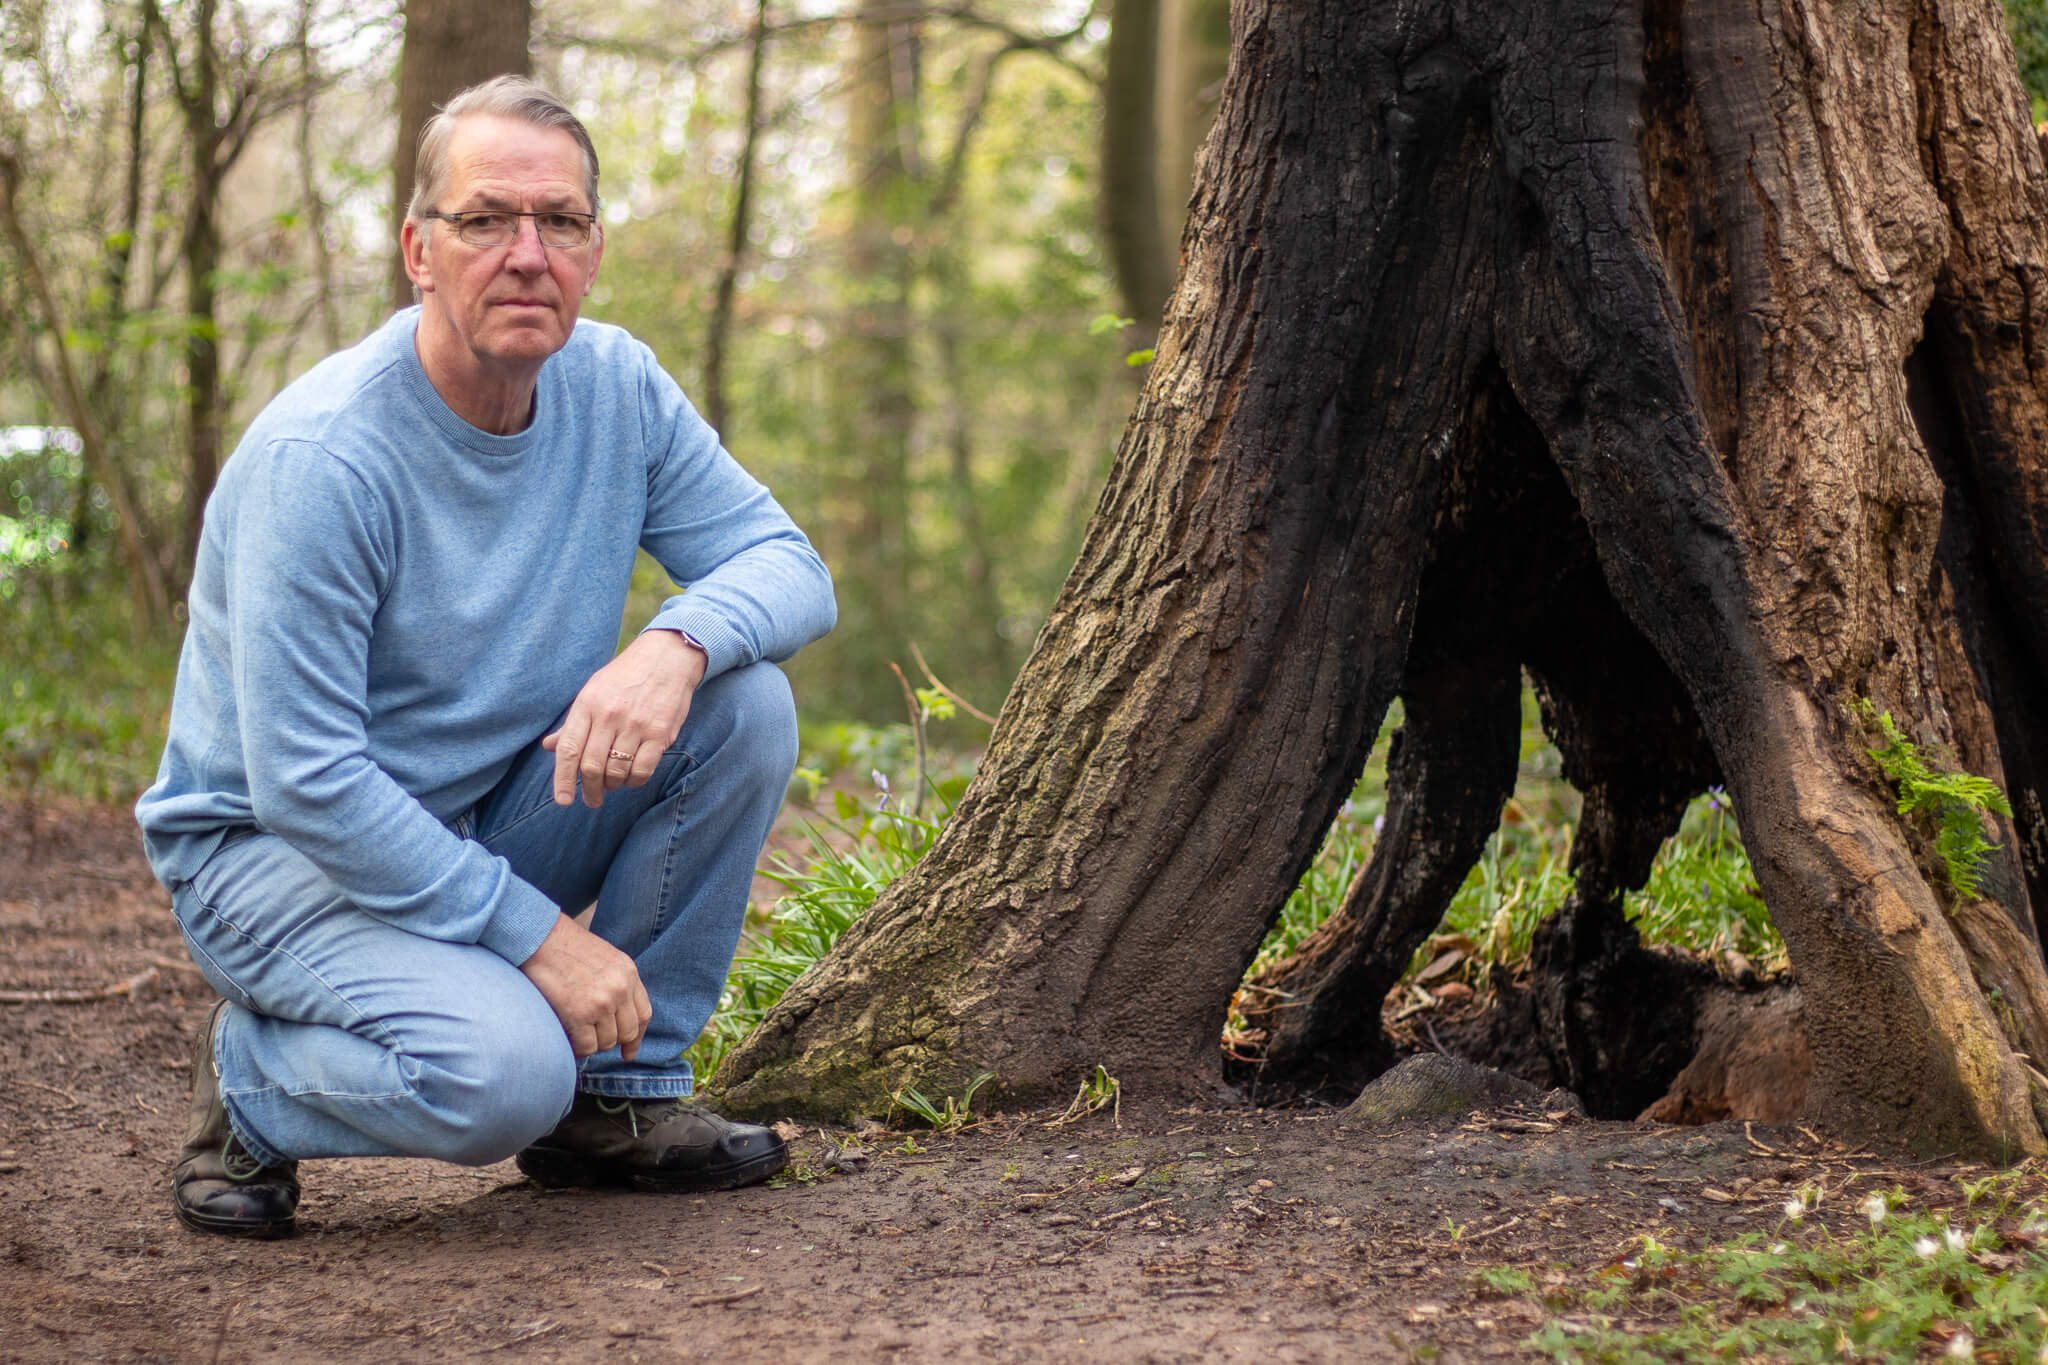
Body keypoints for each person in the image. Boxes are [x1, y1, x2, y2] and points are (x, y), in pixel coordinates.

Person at [134, 76, 836, 1239]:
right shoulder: (326, 459)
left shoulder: (614, 387)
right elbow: (305, 781)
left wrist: (674, 640)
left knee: (739, 702)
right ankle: (251, 1081)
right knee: (504, 1079)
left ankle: (616, 1103)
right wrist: (543, 941)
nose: (527, 254)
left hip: (475, 818)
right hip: (272, 859)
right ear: (418, 249)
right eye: (484, 220)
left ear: (594, 248)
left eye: (559, 221)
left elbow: (786, 564)